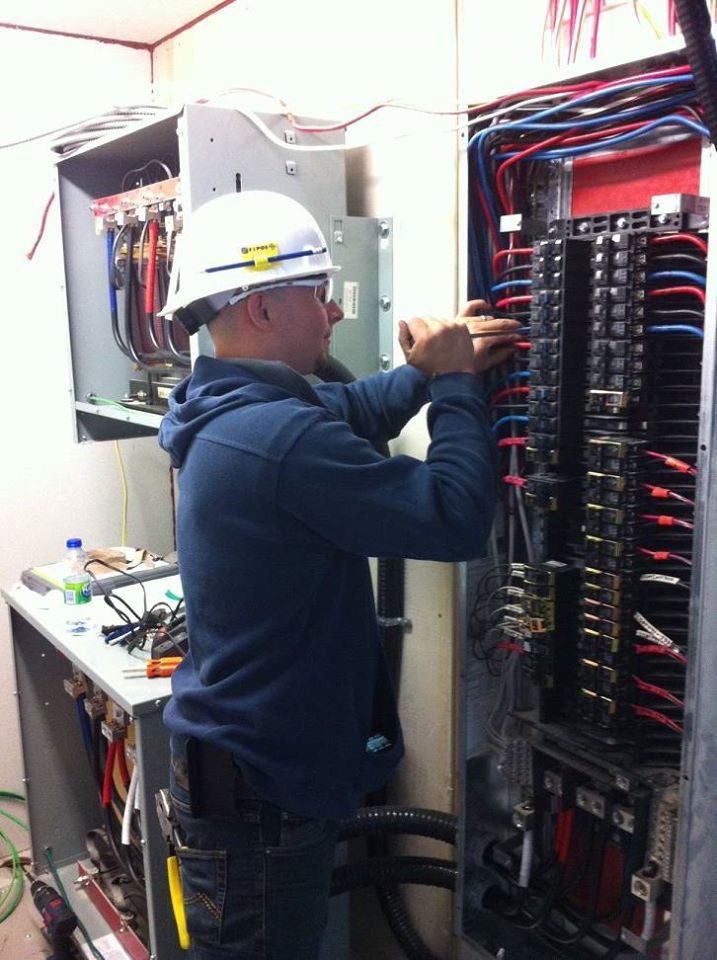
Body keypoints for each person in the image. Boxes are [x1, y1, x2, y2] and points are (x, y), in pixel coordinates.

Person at [157, 189, 520, 960]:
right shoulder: (275, 437)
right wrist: (456, 387)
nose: (333, 314)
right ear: (259, 308)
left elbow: (341, 411)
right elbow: (453, 516)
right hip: (261, 793)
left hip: (240, 772)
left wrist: (421, 373)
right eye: (317, 295)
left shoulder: (221, 405)